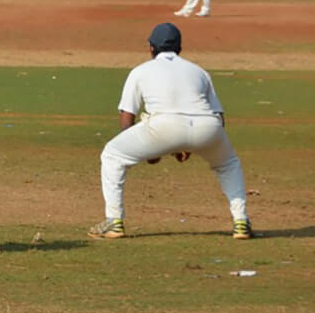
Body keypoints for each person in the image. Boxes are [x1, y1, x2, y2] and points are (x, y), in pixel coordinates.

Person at [88, 22, 253, 240]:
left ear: (150, 47)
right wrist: (189, 144)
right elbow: (219, 117)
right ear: (180, 48)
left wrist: (148, 149)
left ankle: (114, 221)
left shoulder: (140, 71)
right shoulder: (199, 71)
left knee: (112, 154)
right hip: (208, 126)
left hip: (164, 126)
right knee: (228, 164)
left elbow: (127, 115)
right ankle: (241, 222)